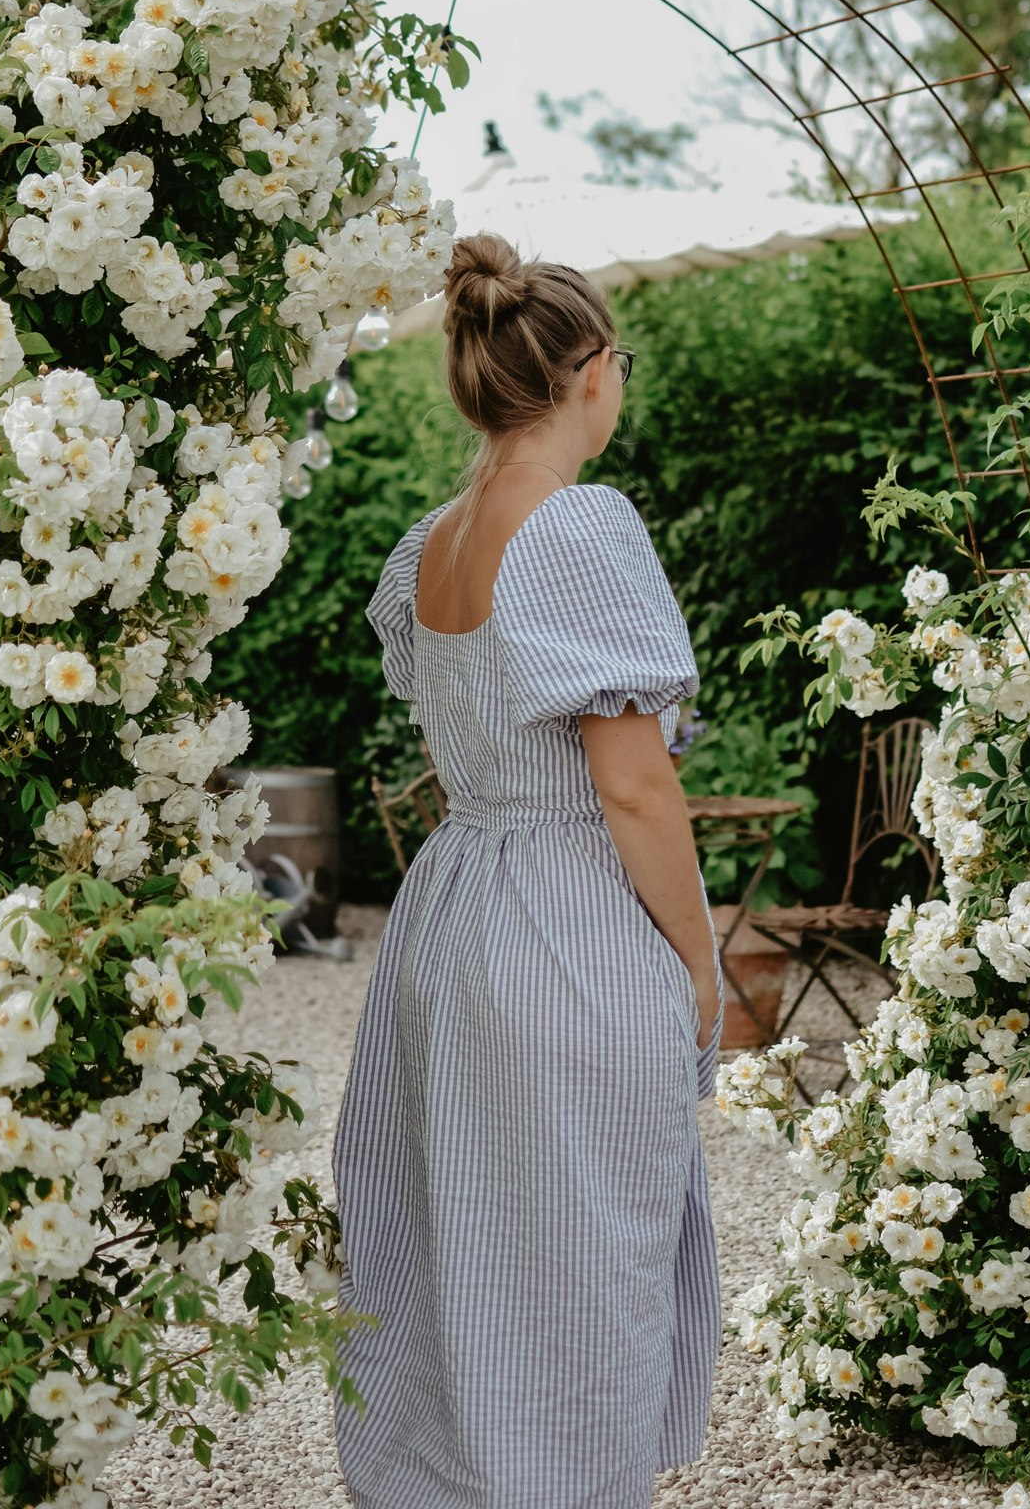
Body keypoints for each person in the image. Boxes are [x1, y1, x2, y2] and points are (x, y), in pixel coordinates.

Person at [331, 232, 725, 1509]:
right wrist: (701, 962)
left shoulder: (434, 541)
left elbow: (474, 754)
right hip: (563, 918)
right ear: (592, 373)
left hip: (453, 915)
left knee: (465, 1253)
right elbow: (631, 780)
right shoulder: (578, 525)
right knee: (576, 1262)